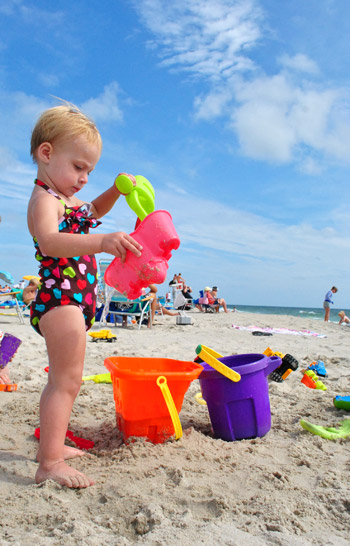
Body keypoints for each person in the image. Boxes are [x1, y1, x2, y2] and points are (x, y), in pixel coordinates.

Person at [27, 103, 142, 489]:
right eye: (78, 167)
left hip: (75, 300)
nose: (83, 178)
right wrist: (102, 241)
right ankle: (50, 462)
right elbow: (51, 240)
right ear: (46, 154)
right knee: (64, 381)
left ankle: (52, 443)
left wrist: (116, 189)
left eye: (89, 171)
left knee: (70, 380)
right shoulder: (46, 200)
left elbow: (93, 209)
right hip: (59, 300)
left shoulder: (72, 203)